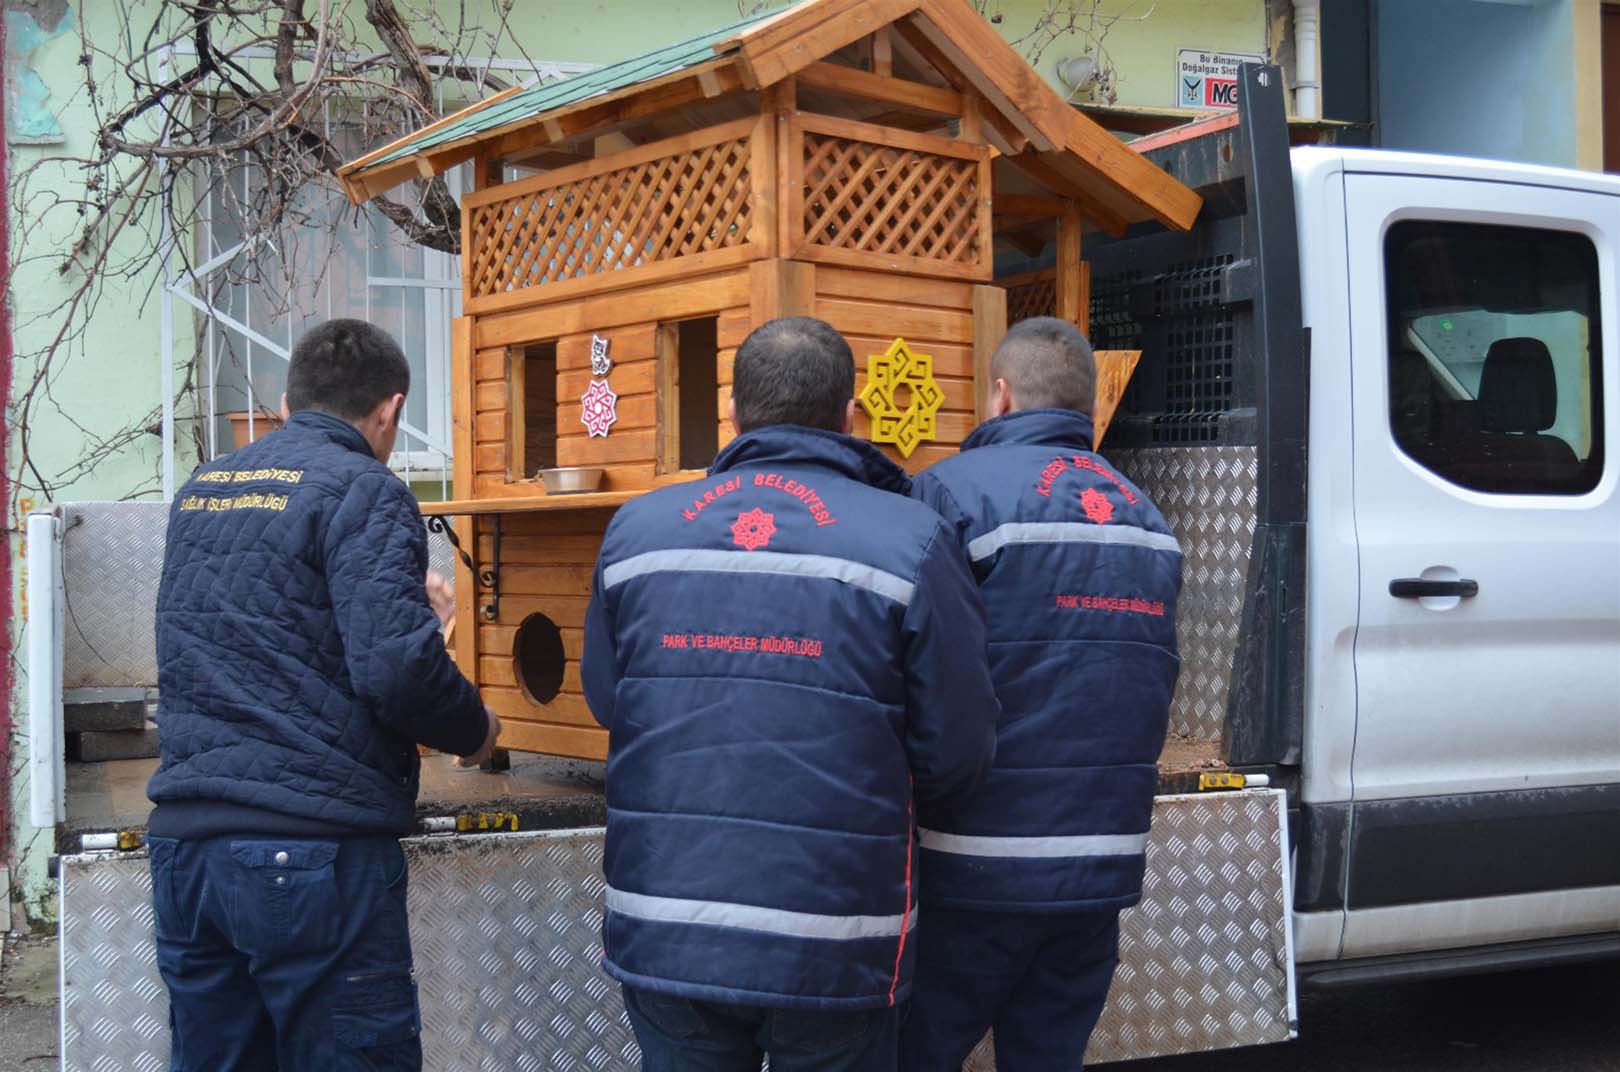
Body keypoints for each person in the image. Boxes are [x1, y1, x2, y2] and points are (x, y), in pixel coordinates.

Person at [580, 316, 1000, 1072]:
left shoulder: (637, 532)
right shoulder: (912, 539)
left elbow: (612, 703)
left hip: (669, 922)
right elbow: (958, 749)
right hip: (836, 933)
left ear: (732, 413)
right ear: (849, 416)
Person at [146, 318, 501, 1071]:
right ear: (390, 411)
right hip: (308, 856)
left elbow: (269, 628)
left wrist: (404, 613)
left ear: (285, 403)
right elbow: (397, 671)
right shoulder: (366, 489)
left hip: (187, 852)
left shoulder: (203, 489)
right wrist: (476, 730)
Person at [900, 317, 1183, 1071]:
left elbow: (918, 670)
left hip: (973, 865)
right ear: (1087, 404)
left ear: (1000, 395)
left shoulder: (950, 494)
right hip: (1099, 864)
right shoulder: (1147, 517)